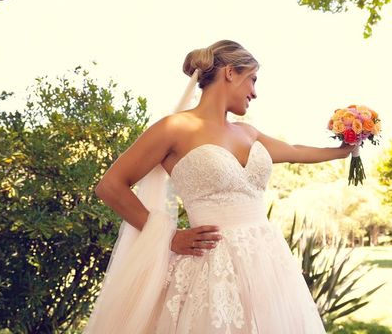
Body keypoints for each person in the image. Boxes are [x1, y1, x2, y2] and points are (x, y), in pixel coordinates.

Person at [83, 40, 357, 333]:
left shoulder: (248, 132)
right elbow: (110, 186)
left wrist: (346, 149)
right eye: (252, 79)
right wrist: (168, 236)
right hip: (210, 266)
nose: (255, 92)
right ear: (230, 73)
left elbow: (296, 151)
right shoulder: (175, 128)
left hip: (267, 263)